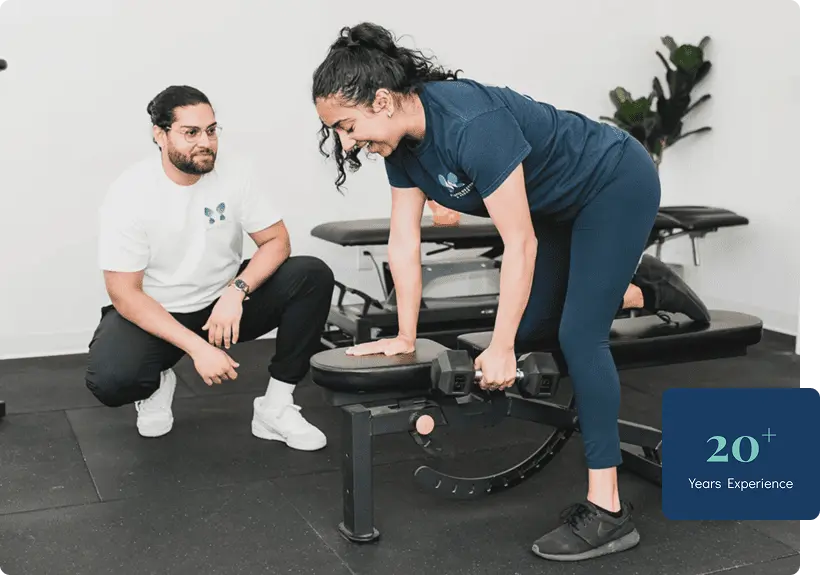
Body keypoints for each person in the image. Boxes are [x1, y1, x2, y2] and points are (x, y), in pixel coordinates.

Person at [311, 23, 710, 561]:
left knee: (578, 336)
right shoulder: (402, 146)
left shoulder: (471, 123)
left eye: (346, 125)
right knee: (530, 330)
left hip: (613, 182)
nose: (345, 140)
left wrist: (500, 351)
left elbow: (518, 244)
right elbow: (403, 240)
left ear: (381, 100)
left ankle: (608, 510)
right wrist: (402, 335)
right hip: (556, 210)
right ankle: (642, 290)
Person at [85, 85, 333, 452]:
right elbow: (124, 293)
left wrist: (237, 291)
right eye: (191, 132)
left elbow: (277, 241)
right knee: (111, 381)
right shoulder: (131, 193)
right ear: (160, 135)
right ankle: (156, 381)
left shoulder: (235, 172)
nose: (206, 142)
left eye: (211, 130)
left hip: (223, 306)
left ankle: (275, 407)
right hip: (160, 311)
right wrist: (197, 349)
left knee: (311, 275)